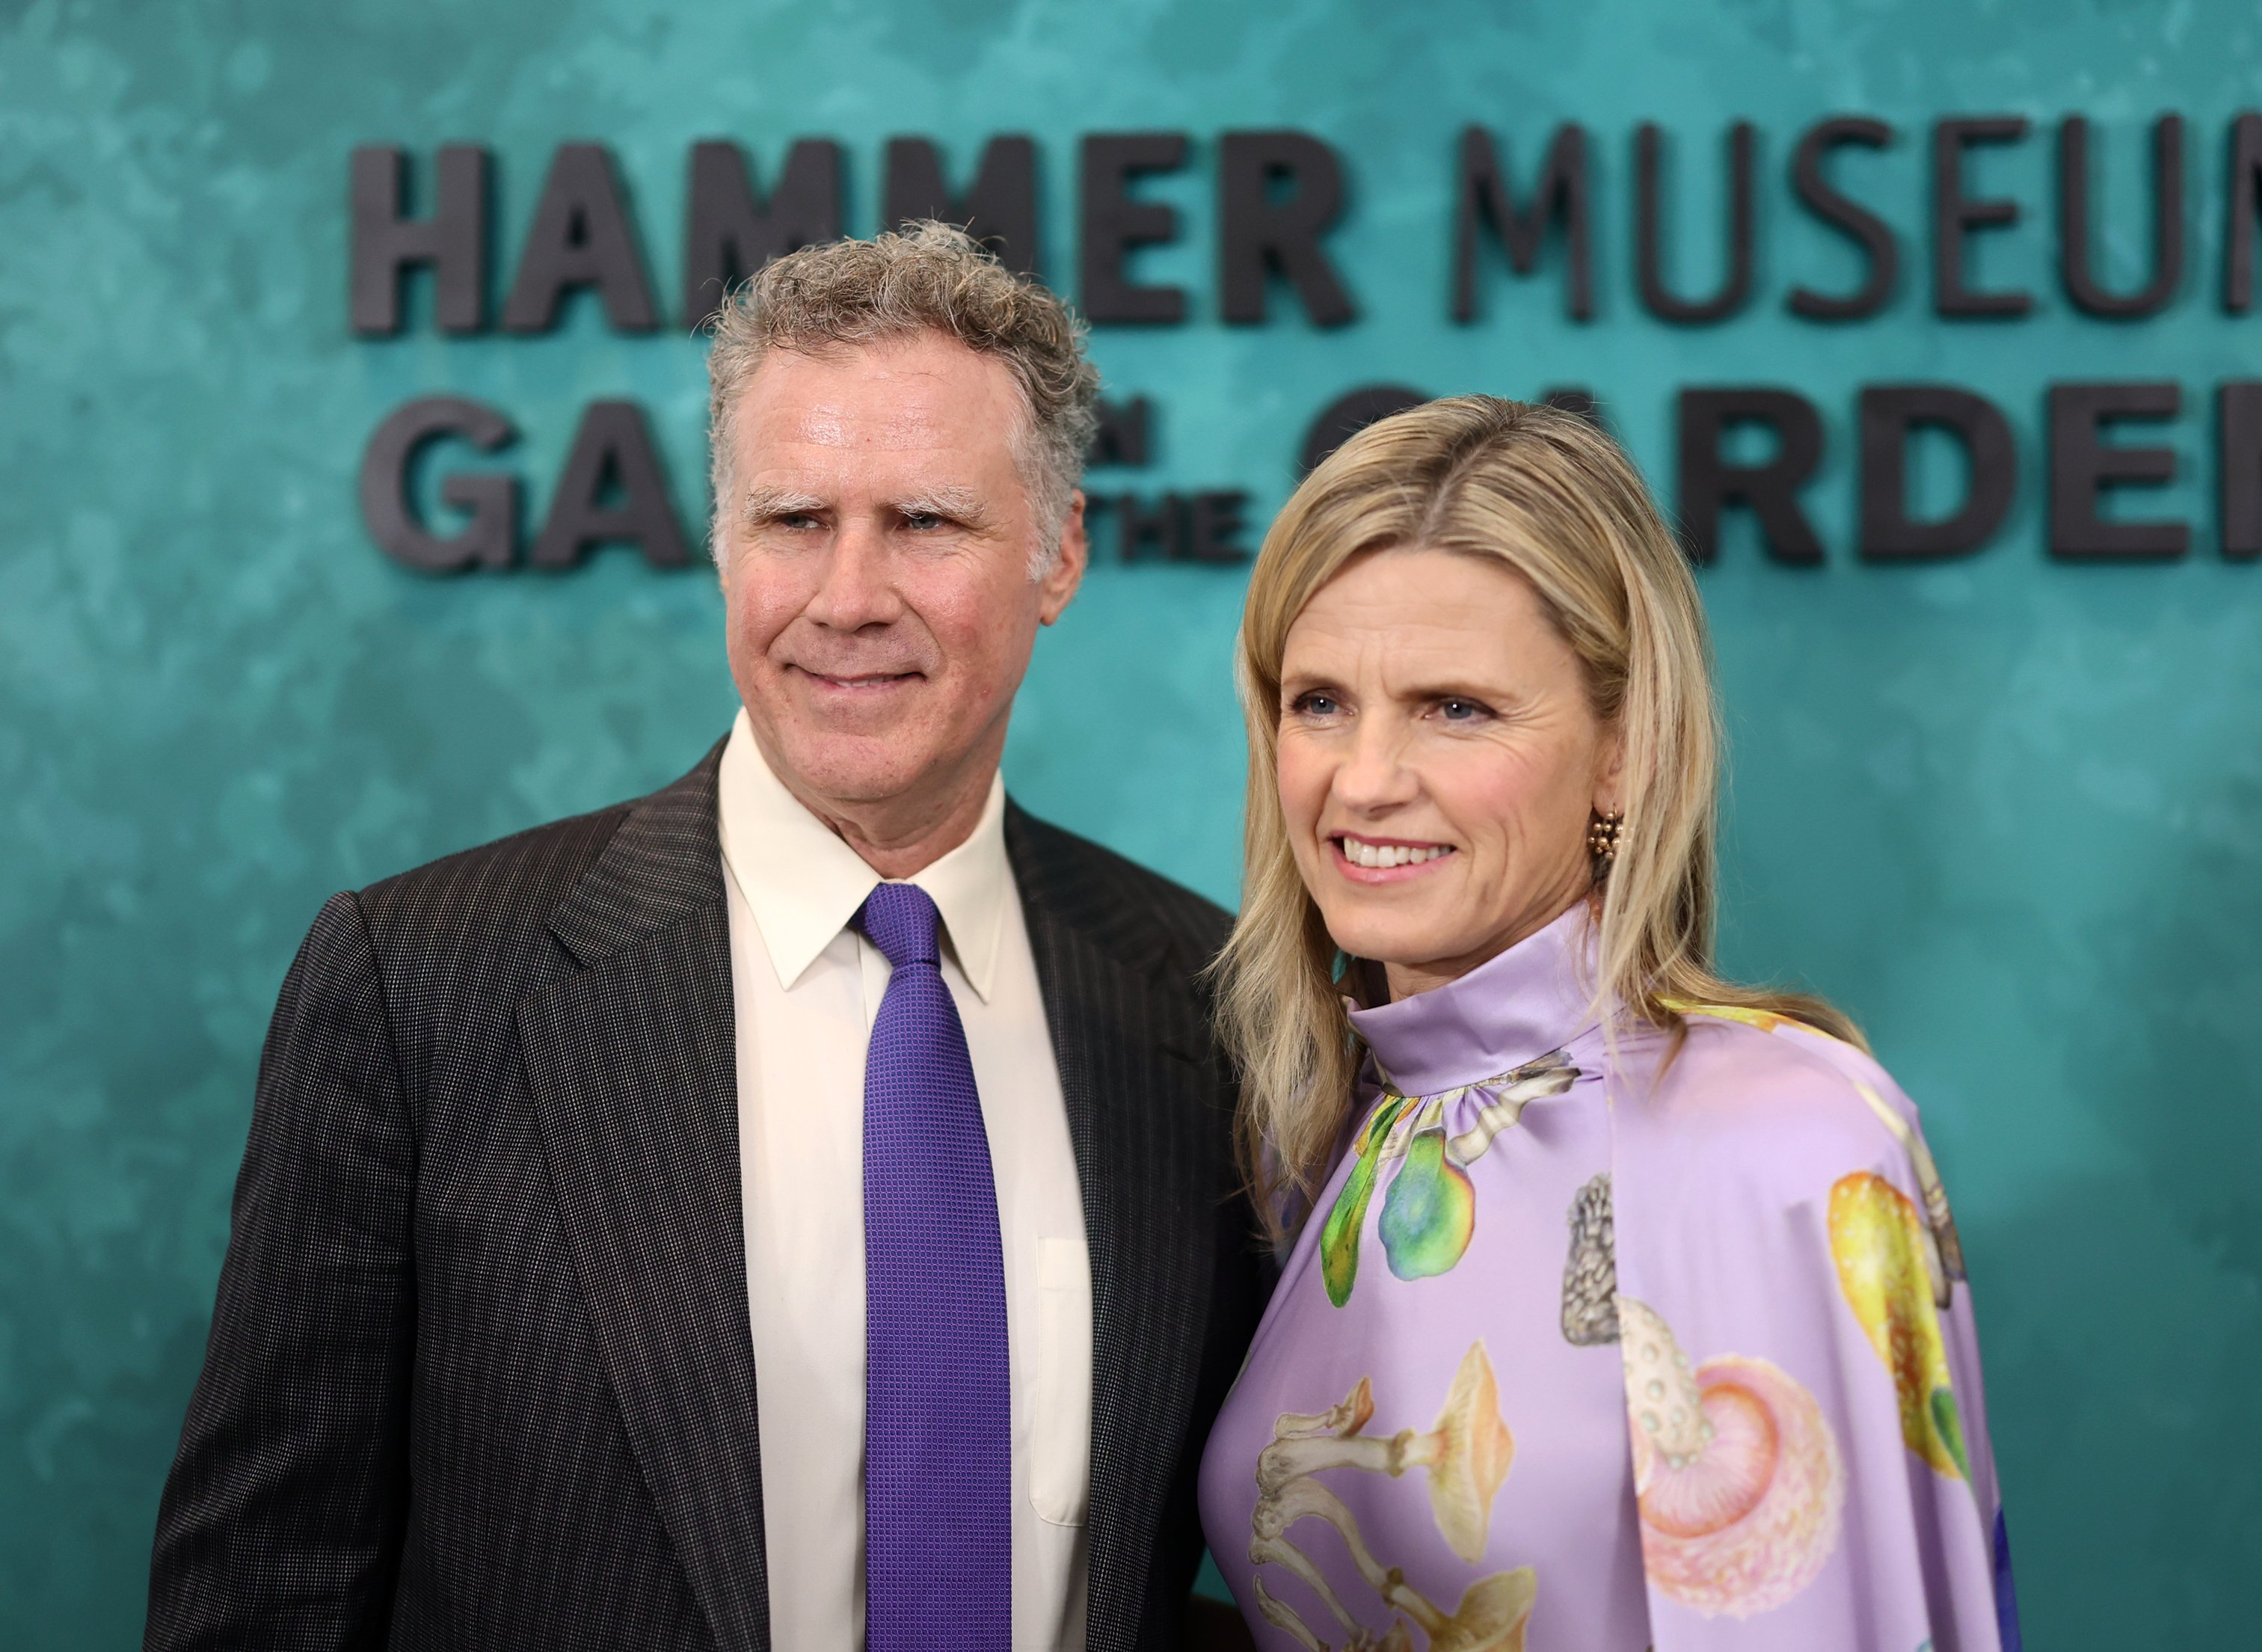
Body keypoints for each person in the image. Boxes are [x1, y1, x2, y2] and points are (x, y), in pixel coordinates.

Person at [147, 224, 1263, 1652]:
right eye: (795, 521)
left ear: (1057, 553)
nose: (848, 597)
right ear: (723, 542)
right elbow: (266, 1595)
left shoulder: (1205, 1001)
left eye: (925, 522)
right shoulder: (418, 986)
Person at [1198, 397, 2020, 1651]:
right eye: (1318, 702)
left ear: (1622, 752)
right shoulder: (1328, 1136)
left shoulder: (1782, 1144)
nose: (1361, 778)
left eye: (1454, 707)